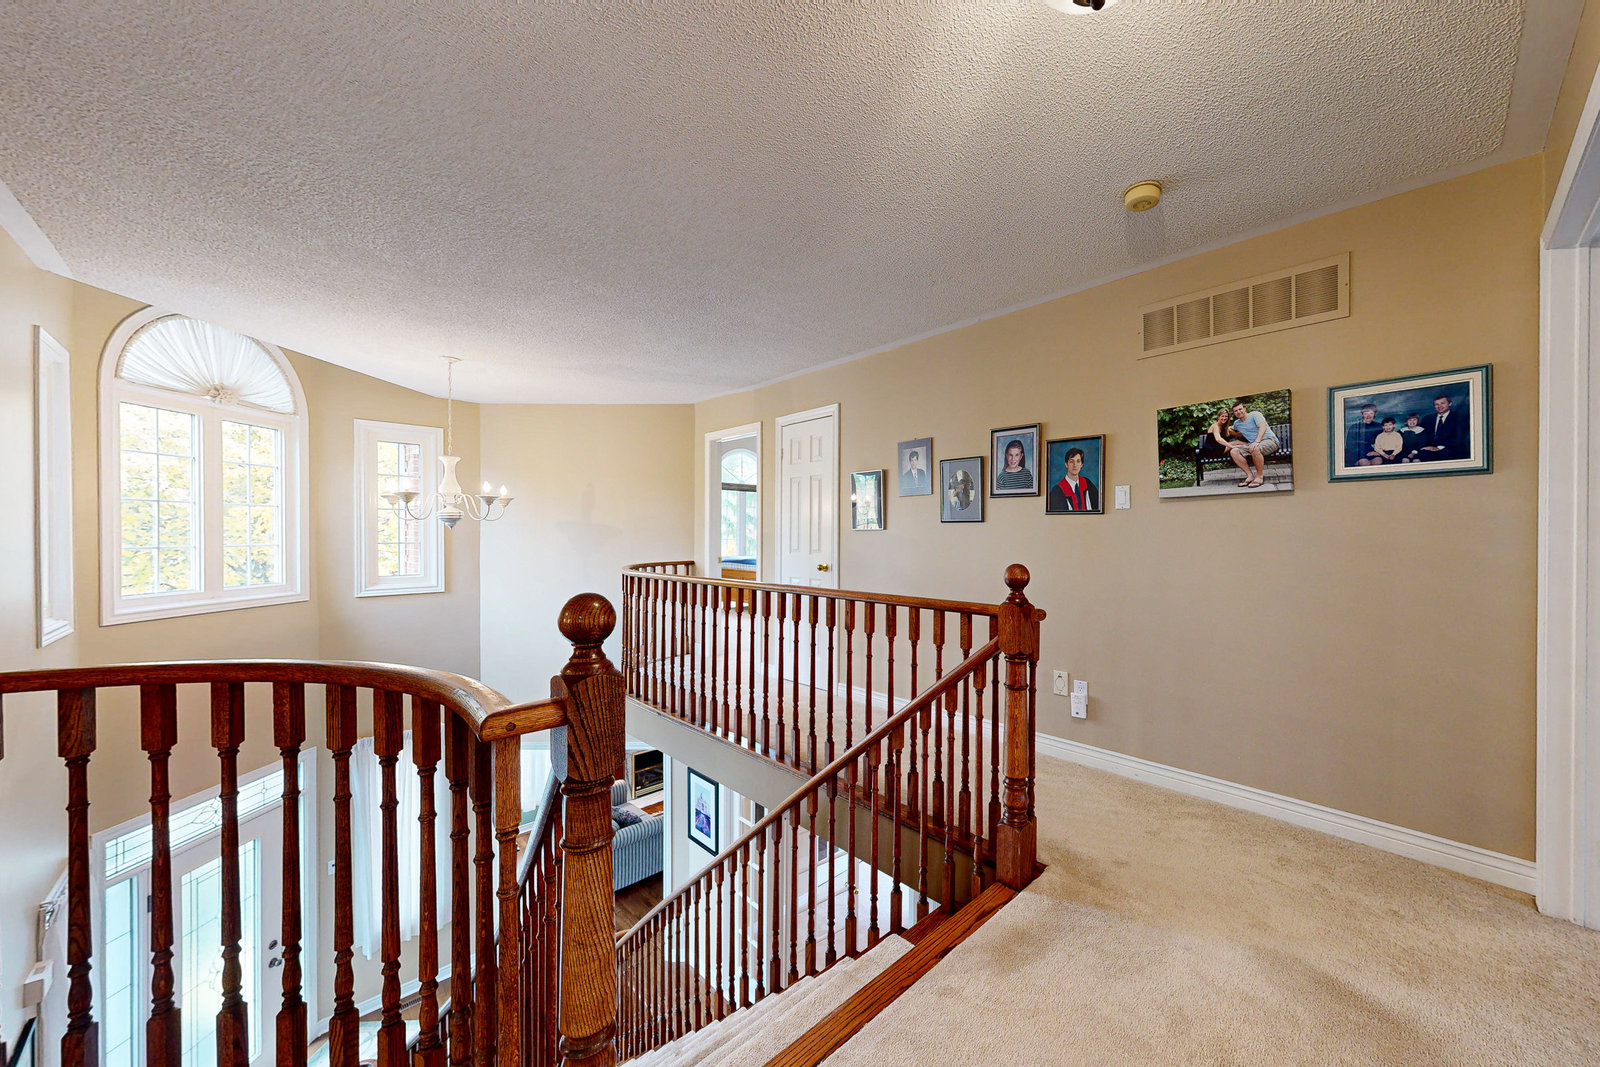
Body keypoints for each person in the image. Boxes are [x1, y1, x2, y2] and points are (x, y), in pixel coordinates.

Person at [1227, 400, 1279, 488]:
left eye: (1240, 409)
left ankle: (1259, 477)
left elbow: (1262, 427)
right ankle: (1250, 476)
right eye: (1236, 411)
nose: (1238, 412)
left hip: (1269, 440)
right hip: (1252, 444)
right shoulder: (1237, 423)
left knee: (1254, 447)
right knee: (1234, 451)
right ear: (1234, 413)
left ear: (1244, 409)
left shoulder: (1255, 414)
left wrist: (1256, 441)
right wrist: (1236, 434)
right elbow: (1229, 429)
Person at [1417, 394, 1469, 461]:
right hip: (1428, 451)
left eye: (1442, 403)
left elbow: (1459, 438)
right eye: (1436, 404)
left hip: (1451, 450)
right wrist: (1425, 447)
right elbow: (1422, 436)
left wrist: (1439, 448)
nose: (1439, 406)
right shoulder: (1427, 419)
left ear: (1450, 404)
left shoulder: (1459, 418)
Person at [1048, 446, 1099, 511]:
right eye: (1071, 461)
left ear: (1081, 465)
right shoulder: (1057, 491)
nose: (1075, 465)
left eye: (1078, 461)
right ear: (1066, 464)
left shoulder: (1088, 484)